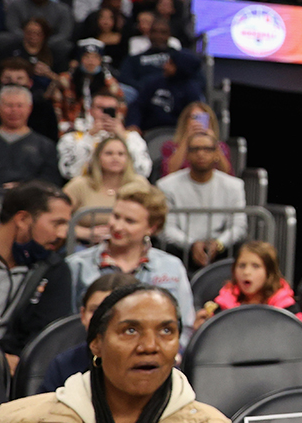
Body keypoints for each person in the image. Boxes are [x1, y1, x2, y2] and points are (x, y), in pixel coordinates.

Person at [0, 283, 230, 423]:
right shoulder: (22, 419)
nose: (150, 346)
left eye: (166, 330)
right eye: (130, 330)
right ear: (96, 344)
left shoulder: (210, 421)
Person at [66, 186, 196, 342]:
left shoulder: (171, 267)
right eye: (116, 216)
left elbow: (185, 326)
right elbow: (65, 327)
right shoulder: (78, 265)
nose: (117, 226)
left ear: (151, 227)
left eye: (130, 221)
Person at [0, 181, 73, 369]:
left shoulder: (53, 269)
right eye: (57, 223)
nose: (63, 234)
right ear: (22, 219)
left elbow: (46, 342)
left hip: (11, 376)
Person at [157, 131, 246, 269]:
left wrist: (219, 244)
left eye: (207, 149)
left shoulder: (234, 186)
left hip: (222, 250)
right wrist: (192, 244)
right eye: (195, 149)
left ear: (217, 153)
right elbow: (167, 228)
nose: (201, 154)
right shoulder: (166, 185)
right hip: (179, 250)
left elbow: (238, 226)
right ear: (187, 154)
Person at [40, 271, 138, 394]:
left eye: (115, 312)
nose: (103, 319)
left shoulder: (153, 361)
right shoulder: (63, 364)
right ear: (83, 315)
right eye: (95, 310)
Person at [193, 241, 302, 330]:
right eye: (242, 266)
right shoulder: (222, 305)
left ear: (269, 272)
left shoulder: (287, 308)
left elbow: (299, 337)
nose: (246, 272)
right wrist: (200, 328)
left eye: (255, 266)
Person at [63, 135, 152, 243]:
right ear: (98, 157)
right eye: (109, 153)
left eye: (121, 154)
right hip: (85, 244)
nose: (115, 158)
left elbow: (154, 217)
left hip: (132, 243)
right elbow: (57, 221)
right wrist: (86, 233)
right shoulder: (79, 185)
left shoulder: (139, 184)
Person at [0, 85, 62, 188]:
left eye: (19, 106)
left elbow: (51, 181)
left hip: (30, 196)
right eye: (9, 105)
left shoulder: (45, 146)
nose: (14, 110)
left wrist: (23, 188)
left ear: (29, 108)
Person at [57, 90, 151, 180]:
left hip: (123, 186)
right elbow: (70, 173)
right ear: (90, 111)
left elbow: (143, 172)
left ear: (118, 112)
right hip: (87, 186)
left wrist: (124, 138)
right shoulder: (71, 138)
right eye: (100, 108)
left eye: (111, 109)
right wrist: (89, 137)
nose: (105, 113)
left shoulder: (132, 138)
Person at [49, 39, 125, 135]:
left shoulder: (110, 84)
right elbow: (57, 105)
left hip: (102, 127)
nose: (91, 62)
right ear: (79, 59)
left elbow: (121, 107)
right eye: (87, 57)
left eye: (95, 58)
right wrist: (63, 124)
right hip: (71, 127)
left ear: (100, 60)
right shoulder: (66, 81)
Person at [0, 57, 59, 139]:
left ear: (30, 82)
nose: (13, 82)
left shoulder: (43, 108)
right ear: (0, 80)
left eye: (19, 78)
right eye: (7, 78)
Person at [159, 102, 233, 177]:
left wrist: (213, 142)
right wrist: (187, 138)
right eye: (195, 117)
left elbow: (227, 173)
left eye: (203, 118)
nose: (198, 122)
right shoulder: (170, 146)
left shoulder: (221, 146)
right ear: (186, 121)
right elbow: (170, 171)